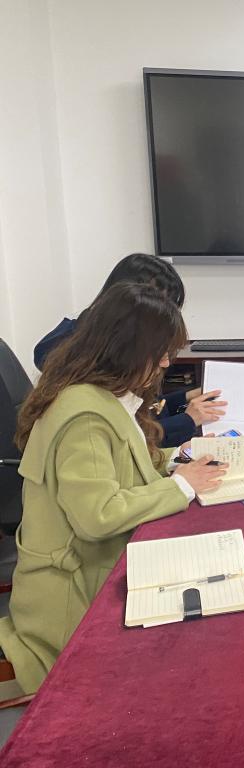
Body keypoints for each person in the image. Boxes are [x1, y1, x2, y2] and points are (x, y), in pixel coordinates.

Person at [0, 283, 227, 694]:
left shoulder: (100, 395)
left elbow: (125, 464)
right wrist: (181, 486)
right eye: (159, 352)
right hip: (72, 598)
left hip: (93, 568)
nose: (165, 363)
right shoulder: (84, 415)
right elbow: (98, 516)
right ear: (127, 349)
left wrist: (177, 458)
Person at [34, 253, 226, 446]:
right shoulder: (90, 378)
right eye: (156, 303)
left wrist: (186, 397)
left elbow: (148, 409)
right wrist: (187, 421)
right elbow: (132, 439)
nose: (165, 363)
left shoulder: (119, 351)